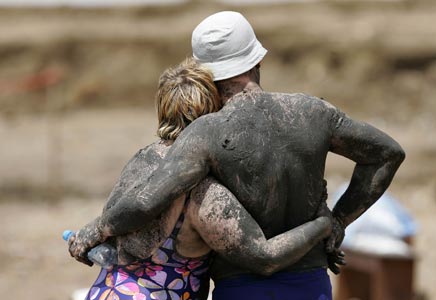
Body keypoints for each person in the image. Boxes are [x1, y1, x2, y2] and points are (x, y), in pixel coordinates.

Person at [70, 11, 405, 299]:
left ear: (204, 73)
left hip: (240, 286)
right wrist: (338, 220)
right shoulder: (312, 113)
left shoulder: (206, 132)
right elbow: (387, 154)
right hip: (310, 281)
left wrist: (96, 229)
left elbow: (145, 203)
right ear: (257, 58)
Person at [70, 57, 338, 300]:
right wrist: (324, 224)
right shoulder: (204, 192)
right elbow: (264, 255)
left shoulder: (141, 161)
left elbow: (114, 233)